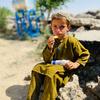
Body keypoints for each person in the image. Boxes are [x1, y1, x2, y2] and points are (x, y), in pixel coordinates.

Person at [27, 12, 90, 100]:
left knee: (51, 75)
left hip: (65, 69)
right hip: (53, 65)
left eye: (62, 27)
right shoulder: (52, 40)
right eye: (55, 26)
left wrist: (76, 64)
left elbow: (85, 54)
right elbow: (46, 59)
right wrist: (49, 47)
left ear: (68, 28)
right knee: (36, 69)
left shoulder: (72, 41)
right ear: (51, 27)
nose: (58, 30)